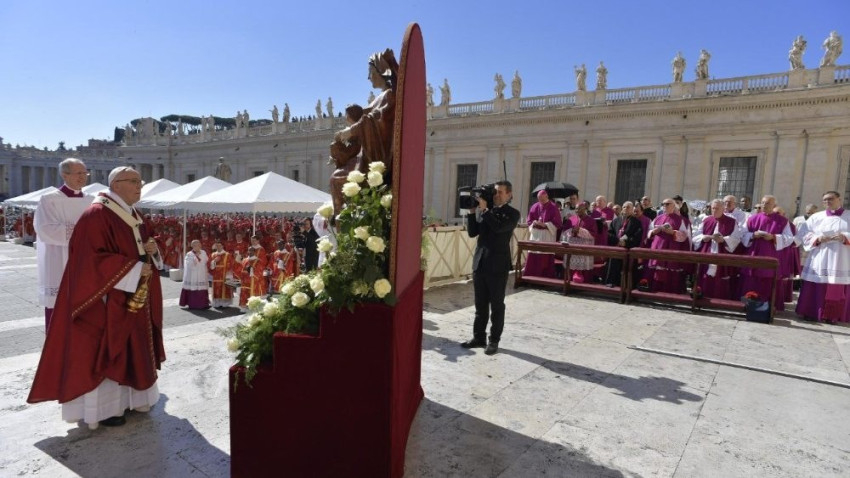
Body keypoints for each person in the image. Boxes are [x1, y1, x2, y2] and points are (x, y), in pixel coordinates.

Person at [28, 166, 165, 429]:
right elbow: (89, 259)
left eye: (140, 182)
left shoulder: (134, 213)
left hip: (132, 295)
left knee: (134, 346)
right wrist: (133, 269)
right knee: (107, 351)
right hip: (105, 300)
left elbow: (145, 244)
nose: (139, 186)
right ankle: (106, 410)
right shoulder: (97, 214)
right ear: (116, 185)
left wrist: (152, 250)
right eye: (133, 181)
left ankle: (135, 399)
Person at [460, 181, 520, 355]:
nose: (496, 195)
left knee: (497, 306)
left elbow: (499, 227)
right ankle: (479, 337)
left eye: (500, 192)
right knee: (480, 305)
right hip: (480, 263)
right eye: (495, 192)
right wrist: (472, 212)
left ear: (509, 195)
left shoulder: (512, 214)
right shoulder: (487, 211)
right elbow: (473, 232)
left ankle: (494, 340)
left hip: (498, 266)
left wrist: (485, 210)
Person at [34, 158, 92, 330]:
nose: (83, 177)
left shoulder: (93, 200)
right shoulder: (49, 199)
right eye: (78, 173)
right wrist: (83, 232)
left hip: (86, 259)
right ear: (64, 175)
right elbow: (45, 229)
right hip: (58, 260)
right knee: (59, 307)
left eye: (85, 173)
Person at [796, 191, 850, 322]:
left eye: (830, 199)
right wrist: (818, 238)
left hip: (841, 257)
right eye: (825, 200)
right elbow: (804, 233)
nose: (827, 202)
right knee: (816, 282)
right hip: (820, 256)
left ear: (839, 199)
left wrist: (845, 237)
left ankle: (833, 316)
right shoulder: (816, 217)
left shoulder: (848, 216)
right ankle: (812, 312)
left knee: (836, 285)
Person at [740, 195, 794, 310]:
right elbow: (743, 234)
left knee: (769, 280)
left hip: (771, 255)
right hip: (754, 254)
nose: (764, 205)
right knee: (752, 279)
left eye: (768, 203)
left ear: (774, 205)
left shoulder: (782, 221)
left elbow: (789, 238)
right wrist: (753, 235)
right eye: (763, 202)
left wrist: (773, 237)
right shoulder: (752, 218)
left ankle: (769, 306)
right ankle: (748, 304)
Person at [693, 199, 743, 300]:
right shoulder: (706, 220)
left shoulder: (731, 221)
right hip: (707, 251)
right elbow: (696, 235)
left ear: (723, 209)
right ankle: (702, 298)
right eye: (713, 208)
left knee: (720, 277)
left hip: (722, 252)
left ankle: (720, 300)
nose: (714, 210)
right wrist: (704, 237)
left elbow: (736, 238)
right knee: (705, 274)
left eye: (717, 208)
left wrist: (723, 239)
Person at [646, 198, 690, 293]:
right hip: (658, 248)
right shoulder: (658, 218)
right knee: (657, 271)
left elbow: (684, 236)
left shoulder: (680, 219)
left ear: (673, 206)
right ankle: (655, 291)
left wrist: (673, 232)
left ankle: (669, 293)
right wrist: (653, 232)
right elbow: (649, 231)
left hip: (672, 249)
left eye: (667, 204)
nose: (665, 206)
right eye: (663, 204)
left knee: (669, 275)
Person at [523, 190, 562, 278]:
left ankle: (545, 277)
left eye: (542, 200)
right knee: (533, 255)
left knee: (545, 257)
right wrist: (534, 223)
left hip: (547, 235)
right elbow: (529, 220)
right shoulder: (534, 206)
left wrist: (545, 225)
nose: (541, 201)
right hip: (536, 235)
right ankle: (530, 276)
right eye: (539, 199)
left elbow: (558, 223)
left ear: (547, 197)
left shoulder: (553, 207)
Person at [604, 201, 643, 287]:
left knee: (627, 268)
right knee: (613, 265)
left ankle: (626, 286)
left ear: (632, 210)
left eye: (628, 207)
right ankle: (611, 282)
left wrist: (626, 242)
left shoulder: (637, 222)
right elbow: (610, 233)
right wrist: (617, 241)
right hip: (616, 248)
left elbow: (637, 236)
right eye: (624, 207)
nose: (626, 209)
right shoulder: (616, 220)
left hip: (628, 249)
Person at [561, 201, 598, 283]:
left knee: (583, 266)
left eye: (580, 209)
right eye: (576, 209)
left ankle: (585, 282)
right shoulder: (572, 219)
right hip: (572, 247)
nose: (577, 210)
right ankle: (569, 281)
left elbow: (593, 235)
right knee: (571, 264)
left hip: (584, 249)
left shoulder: (591, 220)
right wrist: (572, 231)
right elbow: (564, 231)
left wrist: (580, 231)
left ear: (585, 209)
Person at [179, 239, 210, 309]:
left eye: (199, 245)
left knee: (202, 288)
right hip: (193, 275)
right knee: (193, 288)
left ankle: (204, 304)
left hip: (202, 274)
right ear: (192, 246)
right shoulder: (189, 254)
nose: (198, 246)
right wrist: (195, 258)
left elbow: (207, 261)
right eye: (196, 245)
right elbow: (188, 265)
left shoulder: (203, 252)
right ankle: (194, 305)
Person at [209, 240, 234, 308]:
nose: (218, 247)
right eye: (217, 245)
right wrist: (214, 261)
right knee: (216, 288)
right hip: (216, 275)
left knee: (224, 288)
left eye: (219, 245)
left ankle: (225, 303)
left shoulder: (227, 254)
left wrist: (229, 275)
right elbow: (210, 265)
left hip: (225, 274)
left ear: (223, 246)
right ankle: (217, 302)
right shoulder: (213, 254)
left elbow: (230, 264)